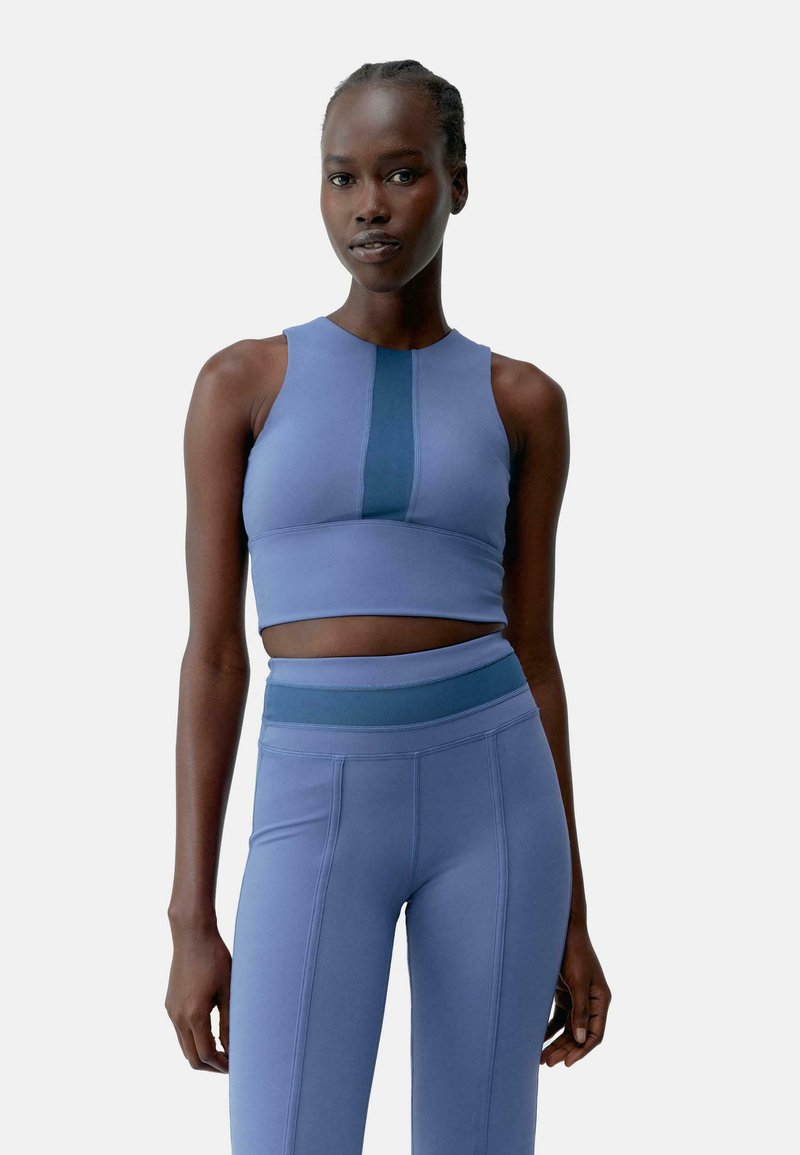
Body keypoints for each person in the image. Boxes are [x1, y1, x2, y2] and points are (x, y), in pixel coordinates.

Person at [165, 59, 611, 1155]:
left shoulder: (524, 401)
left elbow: (537, 656)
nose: (369, 205)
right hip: (312, 804)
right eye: (343, 177)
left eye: (402, 173)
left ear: (458, 182)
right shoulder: (240, 385)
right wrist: (189, 917)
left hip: (494, 800)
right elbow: (214, 657)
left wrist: (575, 911)